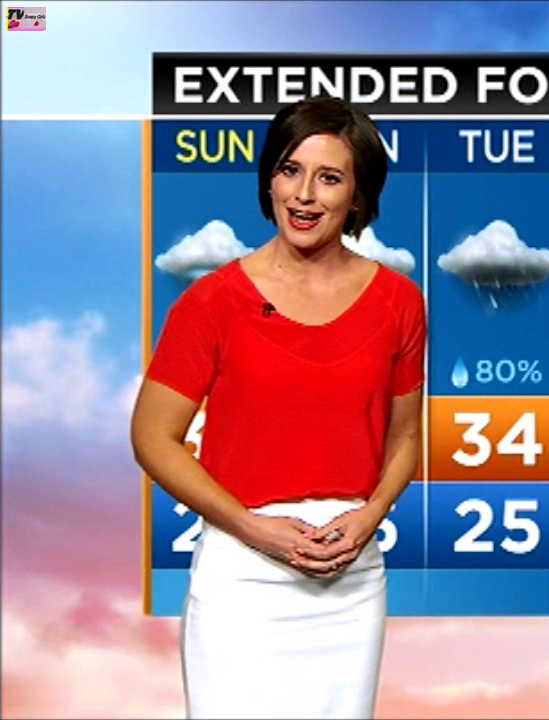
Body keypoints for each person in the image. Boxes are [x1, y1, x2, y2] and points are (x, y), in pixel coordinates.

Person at [132, 95, 426, 719]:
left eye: (329, 177)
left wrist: (371, 514)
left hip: (349, 578)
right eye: (290, 170)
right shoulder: (213, 302)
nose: (304, 195)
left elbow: (404, 438)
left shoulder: (400, 302)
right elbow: (153, 438)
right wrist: (251, 527)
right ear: (268, 179)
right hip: (241, 577)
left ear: (358, 195)